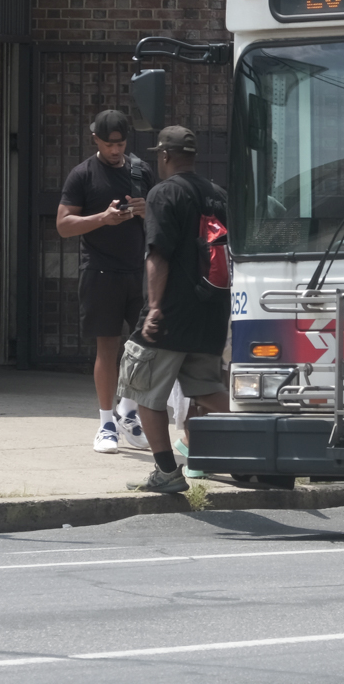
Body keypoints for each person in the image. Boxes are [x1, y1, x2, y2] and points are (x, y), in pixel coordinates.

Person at [118, 126, 231, 493]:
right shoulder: (218, 195)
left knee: (144, 390)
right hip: (210, 311)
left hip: (170, 313)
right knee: (209, 390)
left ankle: (166, 473)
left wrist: (153, 308)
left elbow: (158, 254)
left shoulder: (163, 193)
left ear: (164, 155)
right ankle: (260, 449)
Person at [56, 109, 153, 454]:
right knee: (107, 347)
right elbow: (64, 225)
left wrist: (147, 211)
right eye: (109, 143)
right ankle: (106, 422)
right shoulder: (82, 174)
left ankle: (128, 409)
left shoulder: (141, 171)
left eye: (121, 143)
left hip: (139, 271)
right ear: (95, 139)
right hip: (99, 270)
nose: (116, 150)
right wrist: (103, 218)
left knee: (147, 347)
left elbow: (163, 221)